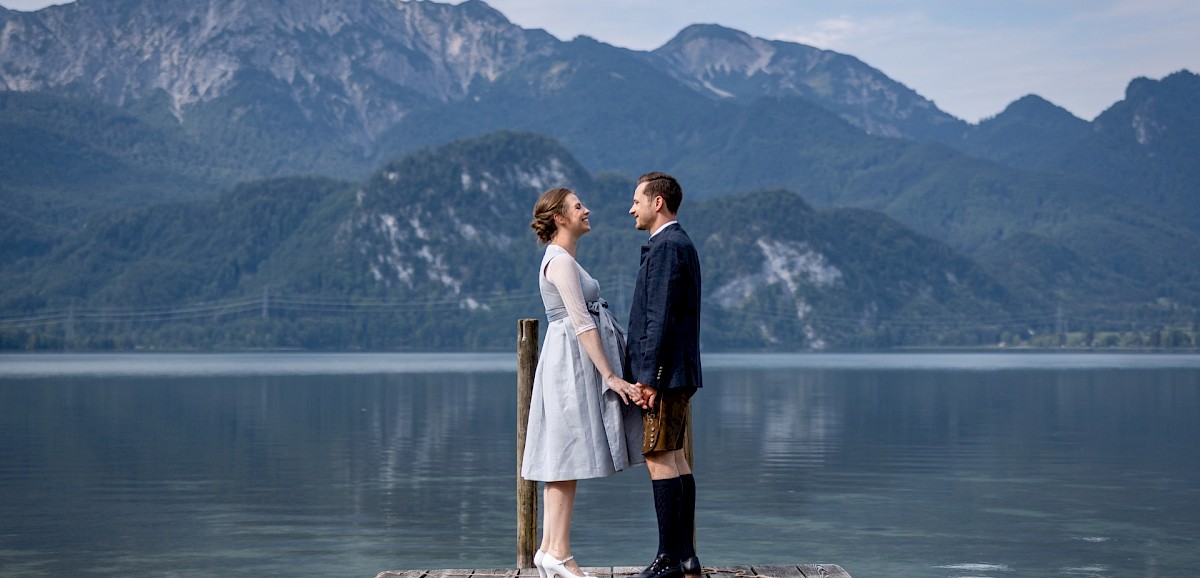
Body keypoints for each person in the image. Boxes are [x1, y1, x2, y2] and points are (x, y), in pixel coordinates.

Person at [523, 187, 648, 578]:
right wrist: (610, 376)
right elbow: (581, 322)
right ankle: (557, 552)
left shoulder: (563, 259)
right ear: (560, 217)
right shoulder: (559, 263)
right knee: (564, 455)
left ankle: (549, 549)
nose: (587, 209)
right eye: (578, 206)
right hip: (570, 365)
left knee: (564, 456)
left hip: (570, 362)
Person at [624, 172, 703, 578]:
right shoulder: (677, 243)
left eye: (637, 200)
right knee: (674, 455)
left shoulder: (668, 246)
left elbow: (661, 318)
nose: (631, 208)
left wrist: (650, 377)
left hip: (665, 374)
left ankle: (668, 558)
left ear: (658, 203)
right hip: (676, 371)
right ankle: (686, 555)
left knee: (658, 456)